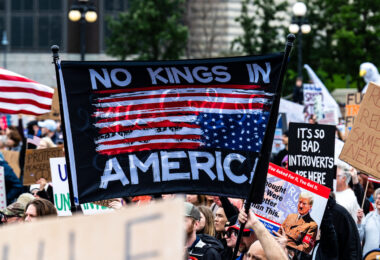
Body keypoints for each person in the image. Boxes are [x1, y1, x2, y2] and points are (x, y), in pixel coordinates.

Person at [357, 188, 380, 257]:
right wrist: (359, 222)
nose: (379, 201)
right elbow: (359, 238)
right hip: (369, 256)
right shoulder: (368, 217)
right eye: (378, 198)